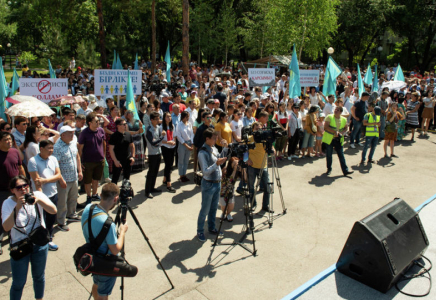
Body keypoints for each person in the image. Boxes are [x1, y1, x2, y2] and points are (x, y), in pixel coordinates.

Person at [2, 175, 57, 300]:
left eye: (25, 186)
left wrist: (39, 201)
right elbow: (6, 227)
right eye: (19, 187)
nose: (23, 189)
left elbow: (53, 210)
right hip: (20, 247)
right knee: (18, 283)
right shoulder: (8, 203)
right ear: (12, 190)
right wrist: (17, 208)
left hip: (39, 244)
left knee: (39, 277)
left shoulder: (37, 195)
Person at [81, 183, 128, 300]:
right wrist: (122, 231)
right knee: (103, 294)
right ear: (116, 199)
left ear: (101, 195)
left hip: (93, 257)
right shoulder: (108, 224)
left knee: (96, 285)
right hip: (105, 263)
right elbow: (115, 249)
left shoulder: (88, 208)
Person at [28, 139, 65, 251]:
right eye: (48, 148)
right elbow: (37, 181)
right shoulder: (33, 161)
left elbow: (58, 175)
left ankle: (48, 239)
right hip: (41, 197)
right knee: (40, 220)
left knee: (50, 219)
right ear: (41, 149)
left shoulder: (53, 159)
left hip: (53, 193)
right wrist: (41, 197)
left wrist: (45, 180)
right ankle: (40, 241)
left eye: (52, 148)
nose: (51, 150)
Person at [196, 128, 228, 242]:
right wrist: (216, 164)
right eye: (214, 138)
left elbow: (219, 159)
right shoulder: (202, 152)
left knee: (214, 208)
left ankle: (211, 227)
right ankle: (200, 231)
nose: (216, 140)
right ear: (207, 139)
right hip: (208, 184)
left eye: (216, 138)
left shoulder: (213, 148)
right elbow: (205, 171)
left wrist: (225, 148)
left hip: (217, 183)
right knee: (205, 209)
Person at [53, 126, 83, 231]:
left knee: (73, 198)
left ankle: (71, 214)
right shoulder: (57, 148)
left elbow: (77, 157)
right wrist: (61, 179)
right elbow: (56, 166)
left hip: (73, 177)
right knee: (62, 201)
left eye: (73, 133)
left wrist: (80, 171)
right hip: (64, 180)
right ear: (63, 135)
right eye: (70, 133)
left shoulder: (72, 143)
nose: (72, 135)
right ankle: (61, 222)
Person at [0, 132, 26, 254]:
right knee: (3, 217)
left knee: (19, 213)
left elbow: (20, 168)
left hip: (17, 189)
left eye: (10, 139)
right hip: (2, 191)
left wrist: (25, 183)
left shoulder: (15, 151)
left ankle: (16, 239)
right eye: (6, 140)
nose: (9, 142)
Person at [247, 113, 273, 212]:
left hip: (263, 165)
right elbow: (244, 151)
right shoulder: (249, 139)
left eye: (259, 128)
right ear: (252, 129)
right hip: (252, 166)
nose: (258, 130)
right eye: (256, 128)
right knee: (251, 187)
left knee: (267, 187)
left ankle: (265, 206)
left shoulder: (265, 138)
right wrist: (246, 160)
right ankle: (253, 204)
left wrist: (273, 150)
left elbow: (271, 147)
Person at [78, 112, 106, 205]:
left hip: (99, 160)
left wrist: (104, 155)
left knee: (96, 179)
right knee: (87, 181)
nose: (98, 123)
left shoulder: (101, 130)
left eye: (98, 121)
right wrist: (80, 162)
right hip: (88, 161)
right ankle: (89, 196)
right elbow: (80, 148)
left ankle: (94, 194)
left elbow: (104, 143)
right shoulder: (84, 133)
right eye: (96, 121)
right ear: (90, 123)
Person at [322, 106, 354, 176]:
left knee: (341, 155)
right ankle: (329, 169)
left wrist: (341, 133)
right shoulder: (329, 117)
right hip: (329, 139)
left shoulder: (344, 119)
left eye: (338, 110)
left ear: (340, 112)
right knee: (329, 155)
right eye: (335, 109)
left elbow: (346, 128)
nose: (336, 111)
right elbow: (326, 127)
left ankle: (345, 171)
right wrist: (334, 132)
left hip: (338, 140)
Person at [145, 112, 165, 198]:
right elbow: (153, 142)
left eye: (158, 118)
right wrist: (161, 137)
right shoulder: (149, 129)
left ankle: (152, 188)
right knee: (151, 172)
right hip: (152, 153)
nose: (158, 120)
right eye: (156, 119)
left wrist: (160, 139)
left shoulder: (158, 127)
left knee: (156, 171)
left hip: (158, 152)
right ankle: (147, 191)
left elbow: (158, 141)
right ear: (151, 120)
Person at [109, 118, 135, 184]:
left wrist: (133, 157)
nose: (125, 125)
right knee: (115, 179)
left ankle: (125, 192)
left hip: (128, 160)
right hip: (118, 161)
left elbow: (132, 146)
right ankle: (113, 193)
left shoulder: (128, 134)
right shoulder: (113, 136)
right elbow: (111, 149)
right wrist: (115, 161)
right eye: (123, 124)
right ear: (118, 126)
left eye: (125, 124)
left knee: (126, 179)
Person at [175, 111, 194, 182]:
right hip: (182, 144)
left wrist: (192, 143)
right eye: (186, 117)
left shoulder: (189, 124)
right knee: (181, 161)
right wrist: (186, 145)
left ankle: (184, 174)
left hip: (189, 143)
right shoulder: (179, 125)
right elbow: (178, 136)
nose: (188, 118)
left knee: (186, 161)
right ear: (183, 117)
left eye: (188, 117)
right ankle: (181, 175)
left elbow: (191, 134)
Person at [161, 112, 177, 193]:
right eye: (167, 116)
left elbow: (174, 136)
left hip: (172, 147)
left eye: (170, 116)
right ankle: (168, 184)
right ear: (164, 118)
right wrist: (168, 142)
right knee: (168, 165)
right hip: (165, 147)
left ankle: (164, 179)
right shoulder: (161, 127)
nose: (169, 118)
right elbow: (160, 140)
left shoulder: (172, 126)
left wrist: (174, 141)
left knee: (170, 163)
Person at [219, 157, 238, 222]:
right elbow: (230, 181)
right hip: (223, 190)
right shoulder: (225, 170)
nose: (236, 165)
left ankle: (228, 214)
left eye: (237, 163)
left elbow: (246, 179)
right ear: (230, 163)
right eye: (234, 163)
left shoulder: (237, 171)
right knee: (224, 206)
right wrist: (235, 170)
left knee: (231, 205)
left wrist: (243, 170)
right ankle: (223, 213)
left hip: (230, 191)